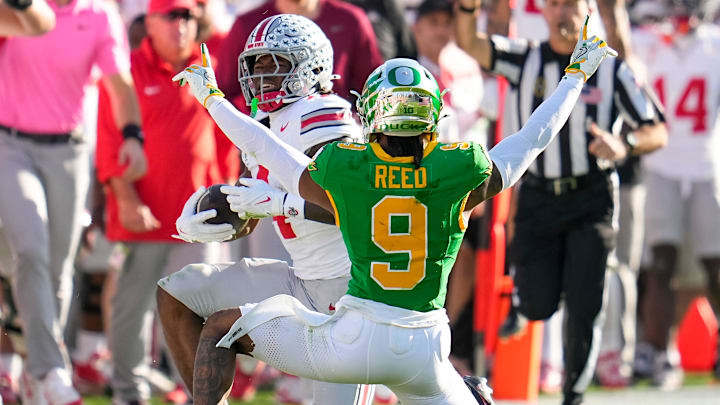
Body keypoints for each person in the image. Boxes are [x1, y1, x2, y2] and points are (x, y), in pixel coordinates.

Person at [171, 14, 616, 404]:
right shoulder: (456, 171)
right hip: (426, 347)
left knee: (218, 331)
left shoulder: (350, 169)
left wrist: (211, 97)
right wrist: (574, 76)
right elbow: (532, 139)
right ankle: (470, 394)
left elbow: (266, 146)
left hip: (355, 337)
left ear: (369, 114)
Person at [455, 0, 668, 403]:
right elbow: (470, 42)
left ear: (588, 9)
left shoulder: (609, 66)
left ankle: (574, 394)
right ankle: (525, 302)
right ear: (544, 13)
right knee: (538, 303)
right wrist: (468, 6)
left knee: (585, 304)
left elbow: (657, 129)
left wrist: (624, 145)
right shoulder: (524, 59)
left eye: (571, 3)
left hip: (592, 197)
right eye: (554, 3)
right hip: (538, 196)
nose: (563, 11)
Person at [156, 14, 375, 405]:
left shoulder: (326, 116)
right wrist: (206, 223)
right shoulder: (262, 121)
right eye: (256, 65)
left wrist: (280, 204)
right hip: (298, 281)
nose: (262, 76)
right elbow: (248, 208)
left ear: (311, 66)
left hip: (347, 291)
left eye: (275, 64)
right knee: (177, 294)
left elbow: (348, 207)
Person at [0, 0, 147, 401]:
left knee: (60, 271)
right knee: (31, 250)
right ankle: (49, 369)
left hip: (70, 151)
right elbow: (29, 23)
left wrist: (133, 135)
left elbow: (120, 84)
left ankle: (36, 371)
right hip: (10, 145)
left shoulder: (99, 15)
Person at [94, 0, 231, 402]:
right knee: (131, 309)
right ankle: (128, 390)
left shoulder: (209, 64)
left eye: (188, 16)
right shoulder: (125, 70)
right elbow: (109, 140)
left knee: (205, 312)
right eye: (171, 16)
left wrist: (227, 192)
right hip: (144, 215)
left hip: (201, 217)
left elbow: (225, 135)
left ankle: (202, 393)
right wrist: (125, 198)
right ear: (149, 22)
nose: (181, 25)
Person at [632, 0, 720, 389]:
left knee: (716, 264)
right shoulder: (648, 42)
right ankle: (660, 351)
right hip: (661, 164)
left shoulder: (714, 43)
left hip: (706, 163)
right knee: (660, 263)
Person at [215, 0, 384, 108]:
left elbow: (375, 90)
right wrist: (257, 123)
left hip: (331, 137)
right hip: (268, 144)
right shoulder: (248, 25)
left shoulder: (350, 20)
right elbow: (222, 95)